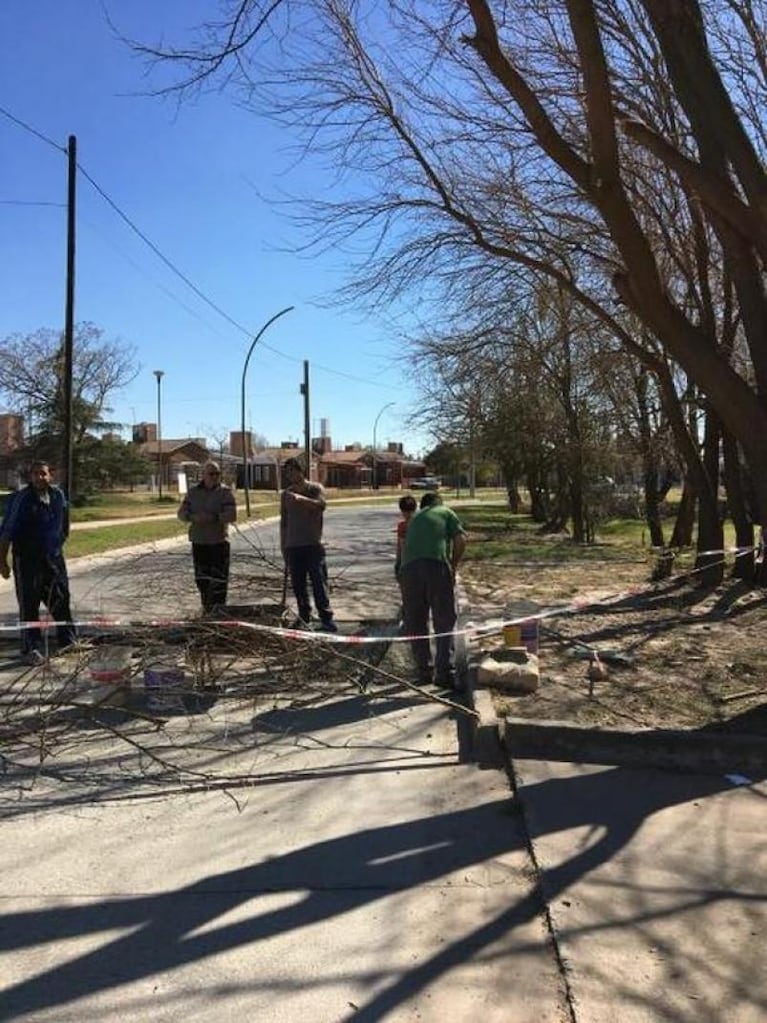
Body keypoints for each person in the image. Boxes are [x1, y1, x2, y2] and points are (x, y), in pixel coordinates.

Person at [0, 460, 77, 664]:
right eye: (35, 474)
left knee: (61, 599)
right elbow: (6, 531)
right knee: (29, 604)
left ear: (50, 475)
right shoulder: (21, 499)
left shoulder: (58, 496)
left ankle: (68, 641)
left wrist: (58, 544)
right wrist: (3, 562)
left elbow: (64, 524)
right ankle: (31, 648)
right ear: (30, 477)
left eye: (43, 473)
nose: (39, 477)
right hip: (27, 560)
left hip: (53, 558)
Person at [399, 491, 467, 688]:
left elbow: (404, 547)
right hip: (435, 566)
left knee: (416, 621)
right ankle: (444, 673)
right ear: (439, 502)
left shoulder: (415, 518)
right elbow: (461, 540)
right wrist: (453, 566)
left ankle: (423, 671)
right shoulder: (445, 511)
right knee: (443, 619)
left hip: (408, 571)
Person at [280, 456, 337, 631]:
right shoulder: (286, 494)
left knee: (318, 582)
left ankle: (326, 618)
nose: (290, 474)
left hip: (313, 544)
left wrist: (300, 499)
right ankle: (304, 616)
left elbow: (321, 505)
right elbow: (284, 522)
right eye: (287, 471)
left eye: (293, 470)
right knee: (299, 585)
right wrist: (283, 545)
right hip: (293, 546)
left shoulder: (314, 488)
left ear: (301, 471)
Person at [177, 460, 237, 613]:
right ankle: (207, 608)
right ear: (203, 475)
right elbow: (181, 513)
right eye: (211, 474)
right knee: (202, 580)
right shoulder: (193, 492)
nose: (215, 477)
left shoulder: (225, 492)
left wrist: (214, 517)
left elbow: (232, 514)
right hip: (199, 542)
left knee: (219, 581)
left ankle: (219, 611)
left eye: (217, 474)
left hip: (218, 542)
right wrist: (193, 517)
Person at [394, 494, 417, 578]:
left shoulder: (403, 526)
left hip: (408, 563)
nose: (406, 514)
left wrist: (398, 562)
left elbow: (400, 546)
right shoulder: (422, 523)